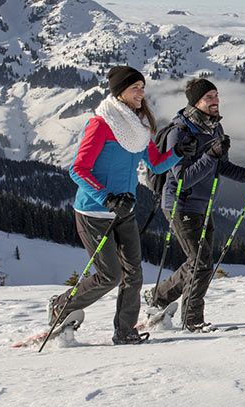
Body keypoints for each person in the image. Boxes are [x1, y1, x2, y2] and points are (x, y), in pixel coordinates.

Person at [52, 65, 198, 345]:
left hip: (124, 211)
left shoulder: (138, 128)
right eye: (136, 88)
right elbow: (78, 170)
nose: (141, 93)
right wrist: (106, 197)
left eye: (143, 88)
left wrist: (178, 153)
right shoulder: (101, 124)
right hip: (94, 212)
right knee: (110, 275)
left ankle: (125, 330)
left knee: (134, 273)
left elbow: (154, 163)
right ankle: (60, 306)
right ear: (120, 92)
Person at [144, 78, 245, 331]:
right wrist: (209, 154)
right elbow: (183, 178)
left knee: (198, 261)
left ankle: (158, 297)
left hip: (203, 204)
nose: (215, 101)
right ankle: (192, 320)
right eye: (208, 97)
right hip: (180, 204)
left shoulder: (214, 129)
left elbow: (220, 166)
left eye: (216, 95)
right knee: (201, 262)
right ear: (195, 102)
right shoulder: (180, 132)